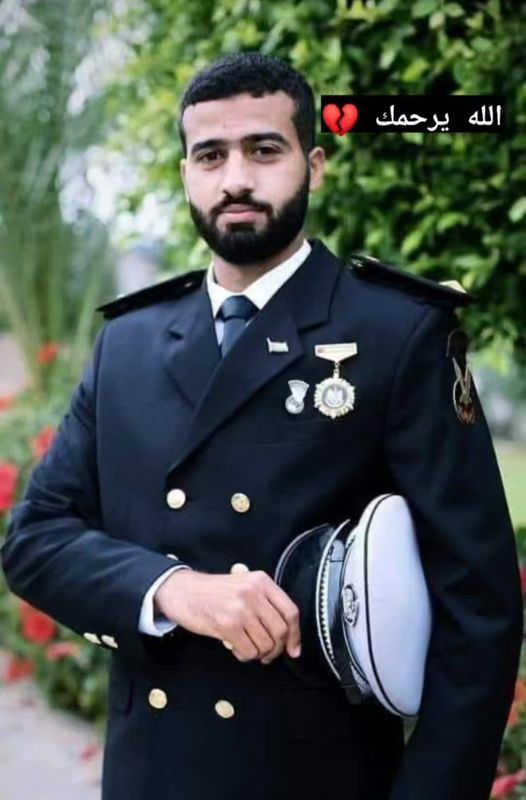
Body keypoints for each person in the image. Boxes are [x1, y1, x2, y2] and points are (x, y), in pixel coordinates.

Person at [1, 51, 523, 800]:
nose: (236, 179)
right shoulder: (129, 343)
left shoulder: (397, 333)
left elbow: (479, 611)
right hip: (152, 776)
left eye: (264, 149)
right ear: (186, 173)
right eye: (210, 155)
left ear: (314, 165)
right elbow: (36, 538)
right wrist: (173, 589)